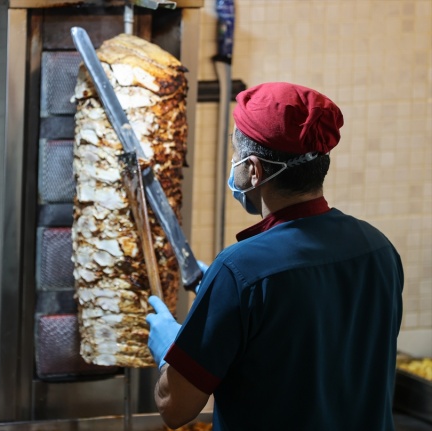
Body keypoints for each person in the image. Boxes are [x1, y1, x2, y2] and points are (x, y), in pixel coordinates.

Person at [146, 82, 404, 430]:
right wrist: (228, 302)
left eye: (235, 153)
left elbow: (175, 408)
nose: (233, 163)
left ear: (254, 169)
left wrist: (169, 349)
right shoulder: (378, 248)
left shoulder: (240, 270)